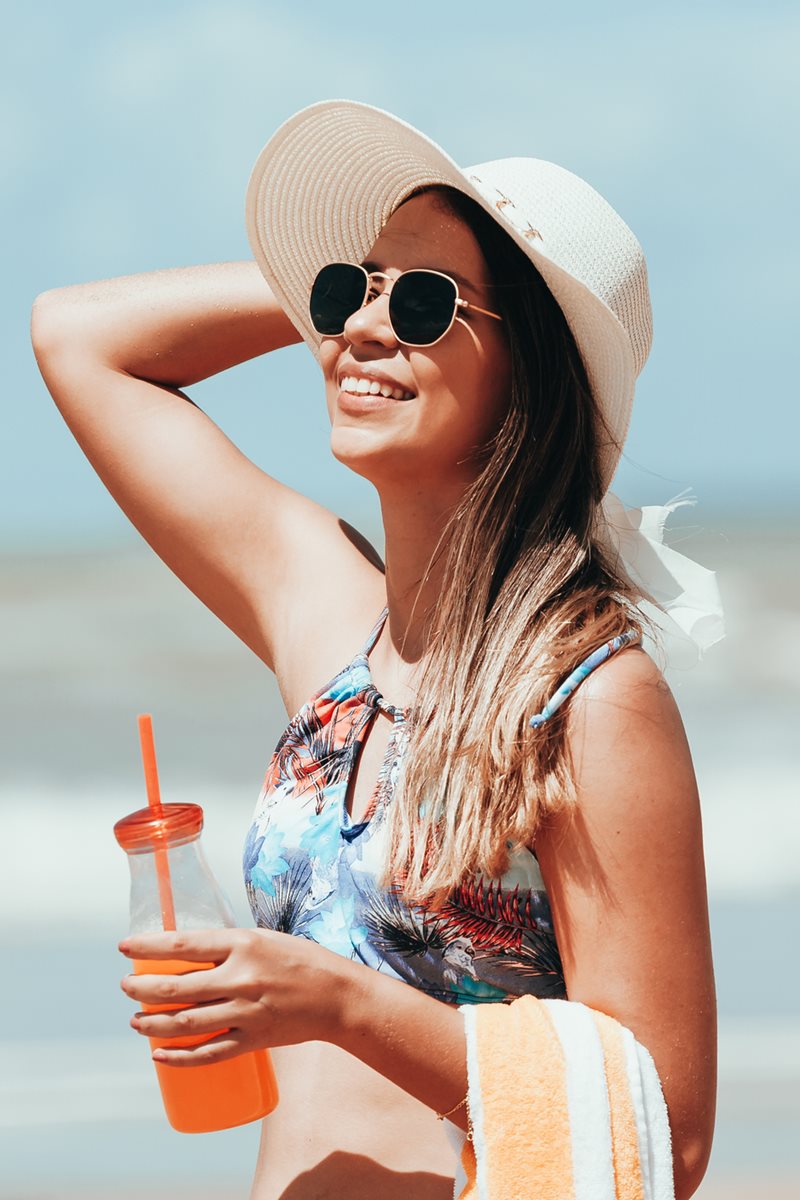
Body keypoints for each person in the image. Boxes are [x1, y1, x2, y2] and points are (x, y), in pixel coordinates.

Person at [31, 100, 722, 1200]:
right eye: (352, 295)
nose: (358, 332)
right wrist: (348, 291)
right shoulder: (327, 618)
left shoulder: (587, 701)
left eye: (428, 304)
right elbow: (78, 337)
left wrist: (342, 1005)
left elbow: (665, 1133)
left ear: (530, 373)